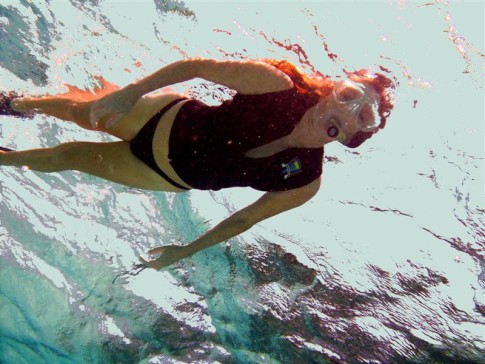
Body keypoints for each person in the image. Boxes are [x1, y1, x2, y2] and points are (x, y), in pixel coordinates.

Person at [0, 58, 394, 270]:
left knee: (67, 157)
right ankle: (19, 104)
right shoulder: (275, 85)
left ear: (353, 138)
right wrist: (131, 93)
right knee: (82, 112)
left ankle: (6, 159)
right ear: (332, 90)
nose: (350, 111)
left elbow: (244, 221)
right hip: (164, 117)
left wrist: (184, 252)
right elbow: (194, 67)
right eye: (350, 95)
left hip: (163, 174)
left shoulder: (306, 181)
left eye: (364, 117)